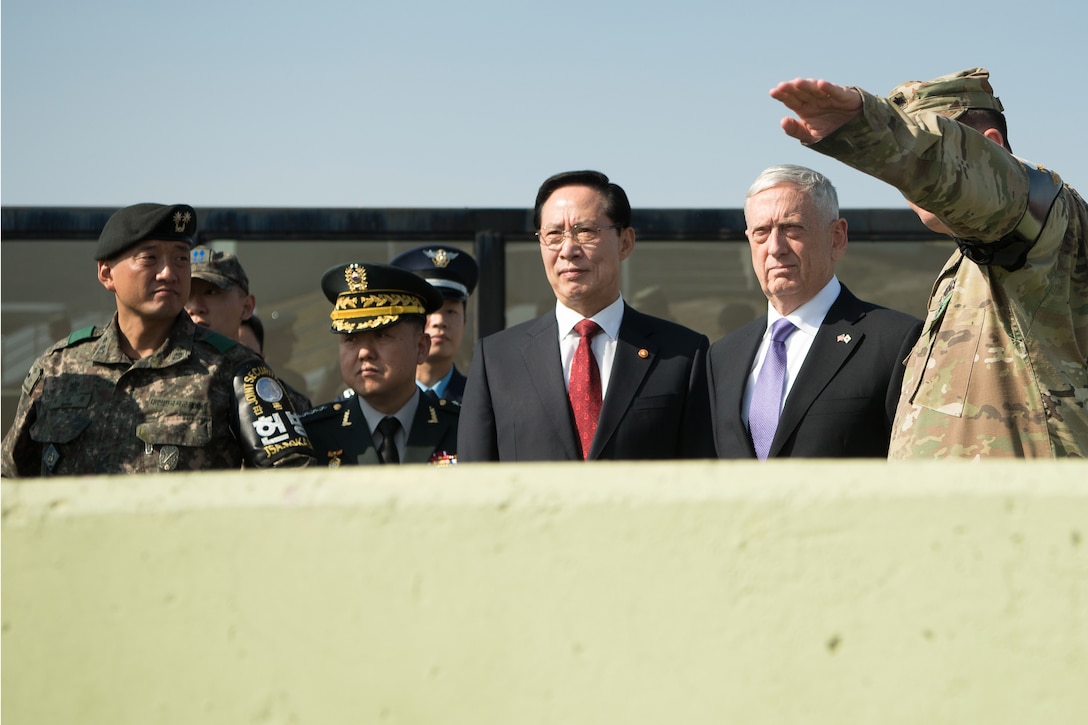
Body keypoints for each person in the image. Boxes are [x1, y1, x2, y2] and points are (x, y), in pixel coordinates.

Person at [769, 68, 1088, 458]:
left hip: (1031, 513)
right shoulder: (969, 265)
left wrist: (867, 128)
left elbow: (976, 180)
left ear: (991, 146)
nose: (908, 179)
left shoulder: (1046, 231)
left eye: (915, 160)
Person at [1, 203, 315, 477]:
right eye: (150, 258)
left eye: (180, 260)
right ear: (107, 274)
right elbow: (10, 477)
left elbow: (290, 482)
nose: (168, 273)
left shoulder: (235, 369)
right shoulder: (58, 366)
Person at [457, 169, 714, 461]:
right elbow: (474, 482)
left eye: (585, 232)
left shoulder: (682, 354)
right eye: (553, 234)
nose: (568, 249)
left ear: (625, 242)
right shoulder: (497, 359)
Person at [707, 165, 923, 459]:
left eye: (791, 228)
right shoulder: (722, 357)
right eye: (761, 232)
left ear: (836, 237)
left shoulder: (896, 342)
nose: (775, 248)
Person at [300, 262, 459, 466]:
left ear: (421, 347)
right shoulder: (311, 436)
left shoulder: (463, 427)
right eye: (351, 339)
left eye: (382, 335)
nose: (365, 353)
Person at [184, 246, 313, 412]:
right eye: (186, 295)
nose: (195, 307)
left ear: (246, 307)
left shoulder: (280, 400)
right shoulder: (153, 382)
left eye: (210, 292)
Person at [390, 244, 479, 406]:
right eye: (428, 310)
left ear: (464, 322)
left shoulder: (480, 400)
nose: (439, 321)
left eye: (451, 311)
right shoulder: (381, 399)